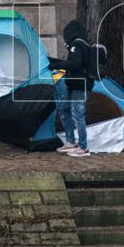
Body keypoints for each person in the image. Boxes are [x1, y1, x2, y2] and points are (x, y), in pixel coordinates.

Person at [48, 20, 94, 158]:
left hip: (80, 86)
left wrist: (55, 66)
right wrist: (52, 61)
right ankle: (70, 141)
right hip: (74, 85)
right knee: (64, 109)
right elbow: (72, 63)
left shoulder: (77, 45)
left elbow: (74, 63)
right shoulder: (82, 44)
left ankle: (83, 147)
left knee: (77, 115)